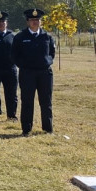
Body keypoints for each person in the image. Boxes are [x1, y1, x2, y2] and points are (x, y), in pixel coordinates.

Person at [12, 8, 56, 136]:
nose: (35, 22)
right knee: (27, 101)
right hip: (27, 73)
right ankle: (26, 129)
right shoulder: (20, 37)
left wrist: (46, 63)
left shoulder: (47, 36)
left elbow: (51, 54)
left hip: (45, 73)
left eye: (37, 20)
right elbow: (14, 56)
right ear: (27, 22)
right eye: (32, 20)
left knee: (46, 101)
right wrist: (25, 66)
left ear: (40, 22)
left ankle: (47, 128)